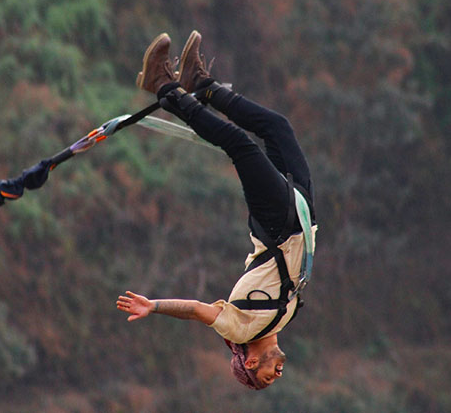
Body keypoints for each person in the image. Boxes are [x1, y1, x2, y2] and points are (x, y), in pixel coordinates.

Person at [116, 31, 317, 390]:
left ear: (250, 362)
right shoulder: (281, 321)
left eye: (267, 377)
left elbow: (196, 310)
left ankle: (163, 87)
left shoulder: (237, 328)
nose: (278, 374)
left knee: (240, 146)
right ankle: (203, 86)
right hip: (301, 211)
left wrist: (155, 306)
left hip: (275, 222)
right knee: (277, 128)